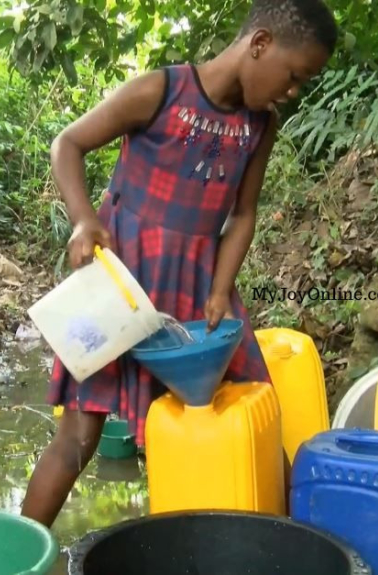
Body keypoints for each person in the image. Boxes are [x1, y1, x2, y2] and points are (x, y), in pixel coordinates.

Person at [20, 0, 338, 527]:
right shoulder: (160, 91)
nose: (292, 91)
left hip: (197, 290)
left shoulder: (261, 126)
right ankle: (15, 556)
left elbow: (242, 215)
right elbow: (68, 143)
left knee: (255, 411)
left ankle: (298, 542)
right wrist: (82, 220)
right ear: (260, 44)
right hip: (118, 284)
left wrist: (220, 291)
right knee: (76, 439)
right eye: (294, 76)